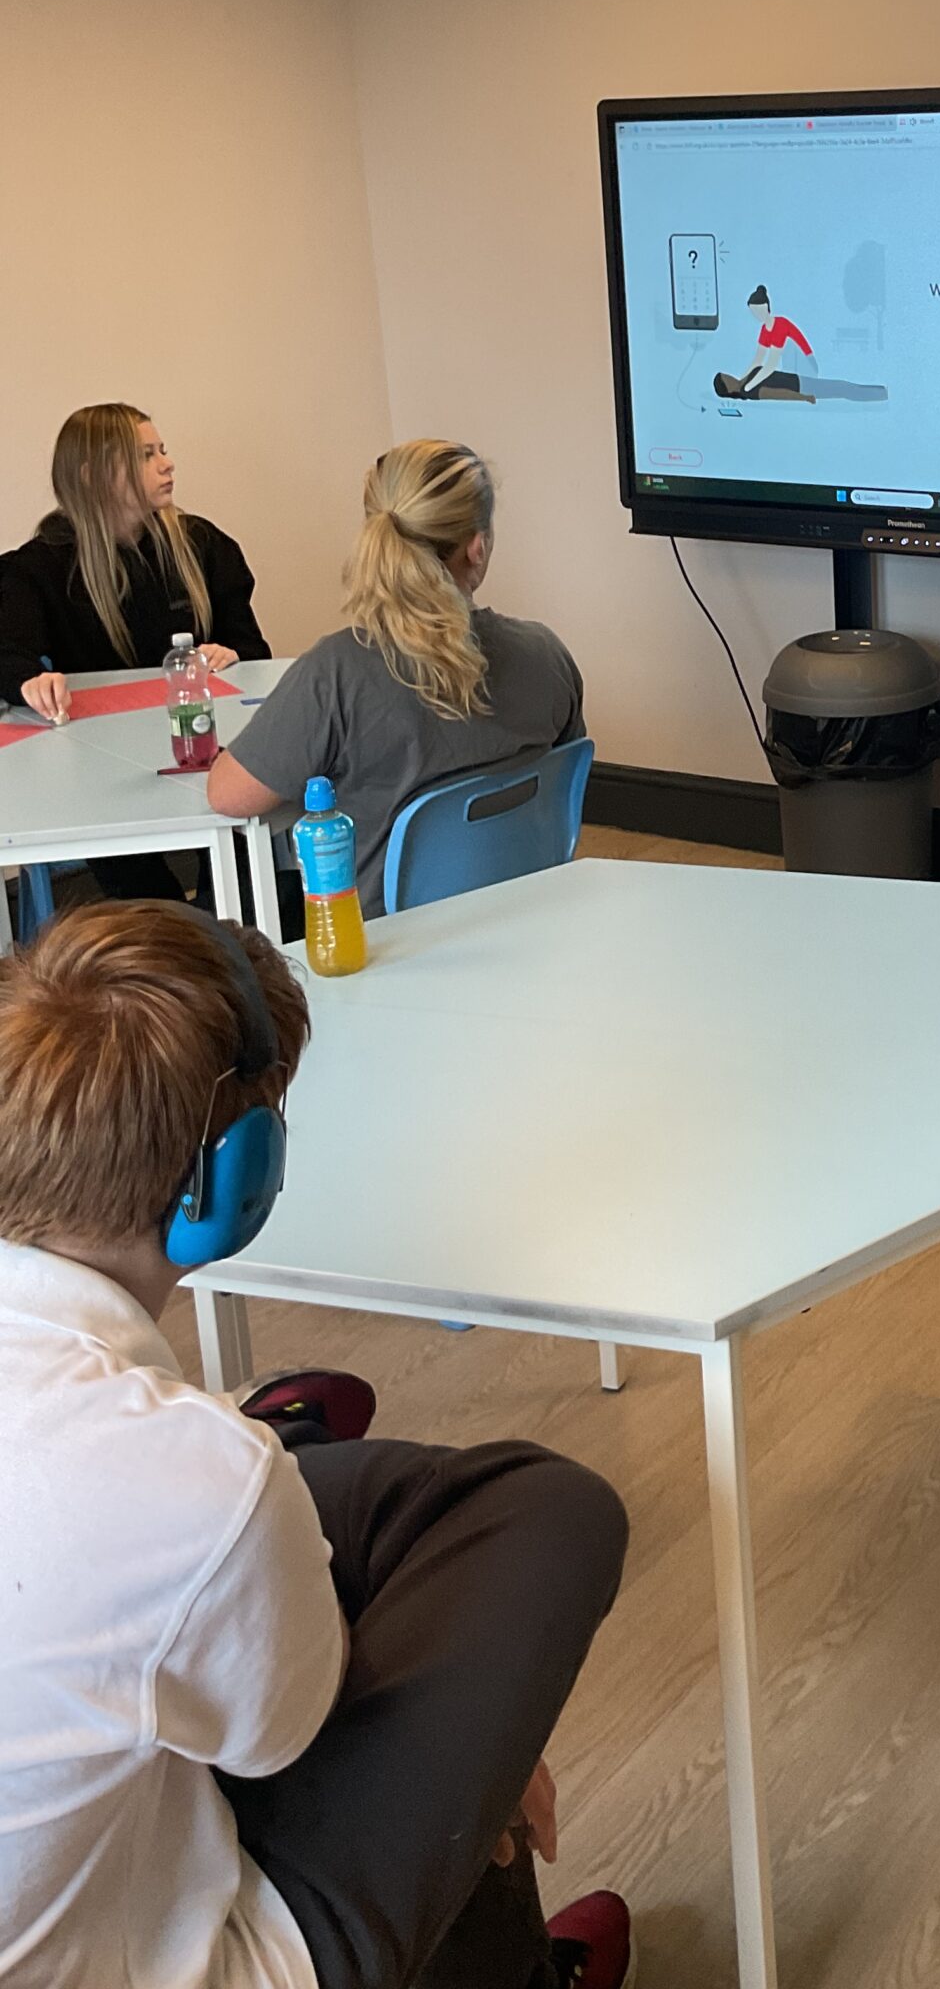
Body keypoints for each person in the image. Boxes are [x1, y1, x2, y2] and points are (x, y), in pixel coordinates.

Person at [0, 900, 632, 1986]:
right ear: (228, 1183)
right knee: (558, 1510)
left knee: (357, 1531)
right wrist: (477, 1746)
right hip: (170, 1953)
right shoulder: (187, 1483)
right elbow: (286, 1742)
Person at [207, 441, 583, 921]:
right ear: (478, 545)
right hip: (526, 915)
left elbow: (229, 795)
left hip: (389, 943)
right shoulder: (546, 655)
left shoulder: (336, 672)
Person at [0, 403, 271, 906]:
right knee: (141, 885)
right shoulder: (41, 567)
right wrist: (25, 681)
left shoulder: (202, 545)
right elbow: (6, 651)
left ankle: (225, 925)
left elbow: (253, 649)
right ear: (93, 475)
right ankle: (169, 930)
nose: (167, 464)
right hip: (101, 770)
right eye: (146, 455)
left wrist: (231, 653)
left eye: (162, 451)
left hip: (207, 748)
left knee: (244, 843)